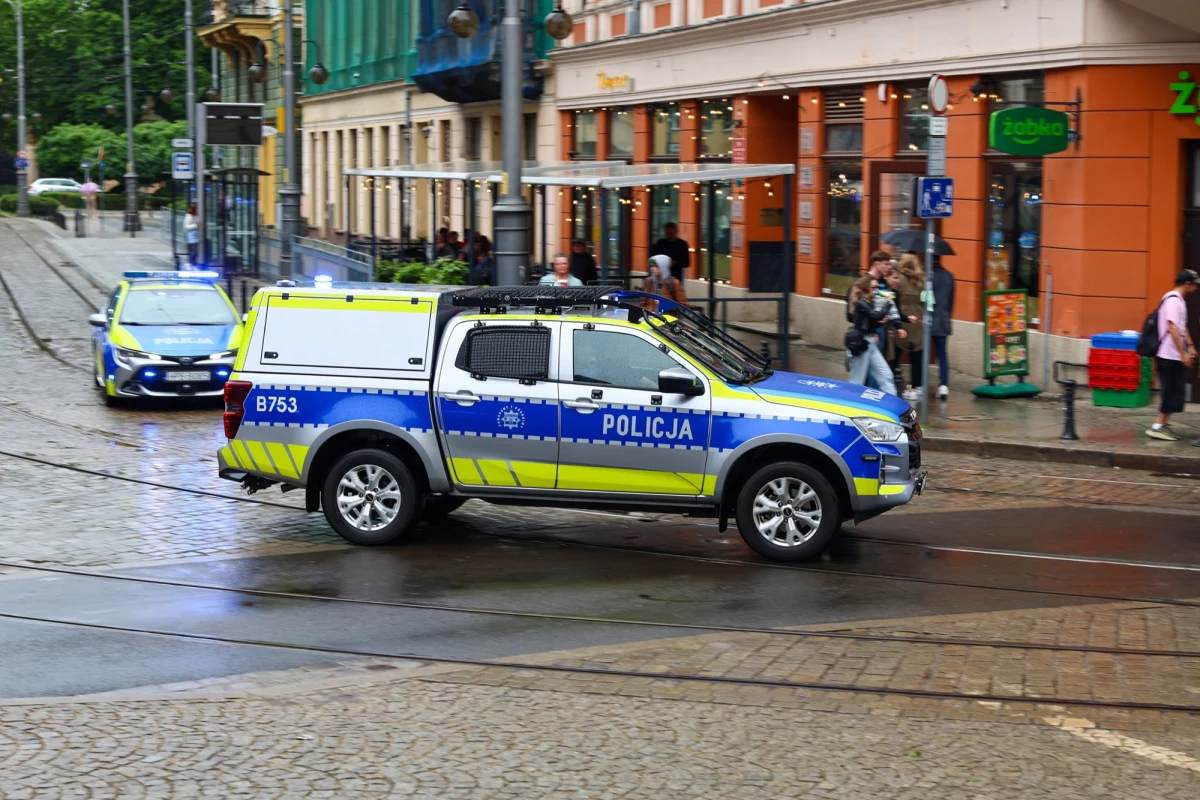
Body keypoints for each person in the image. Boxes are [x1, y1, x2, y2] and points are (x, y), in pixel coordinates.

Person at [1146, 269, 1199, 441]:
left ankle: (1162, 424)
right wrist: (1183, 352)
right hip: (1168, 354)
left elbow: (1182, 326)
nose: (1196, 288)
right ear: (1187, 284)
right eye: (1194, 284)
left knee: (1176, 391)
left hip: (1173, 353)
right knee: (1172, 391)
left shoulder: (1178, 301)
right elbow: (1173, 328)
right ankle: (1157, 426)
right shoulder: (1174, 301)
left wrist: (1190, 346)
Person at [847, 274, 905, 395]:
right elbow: (875, 316)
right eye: (873, 287)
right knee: (857, 381)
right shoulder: (861, 303)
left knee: (886, 375)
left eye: (877, 287)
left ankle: (889, 404)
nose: (876, 290)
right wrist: (888, 302)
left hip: (871, 342)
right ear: (866, 289)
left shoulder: (871, 302)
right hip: (861, 344)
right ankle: (849, 406)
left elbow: (871, 322)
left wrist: (878, 325)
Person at [895, 253, 926, 401]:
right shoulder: (922, 281)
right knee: (917, 354)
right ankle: (916, 386)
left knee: (896, 353)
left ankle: (895, 383)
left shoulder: (899, 279)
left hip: (903, 320)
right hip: (918, 321)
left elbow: (893, 298)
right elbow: (927, 302)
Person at [931, 256, 956, 399]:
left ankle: (920, 385)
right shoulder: (949, 276)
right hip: (943, 319)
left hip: (929, 320)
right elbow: (951, 299)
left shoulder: (927, 276)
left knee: (921, 353)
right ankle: (944, 385)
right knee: (942, 354)